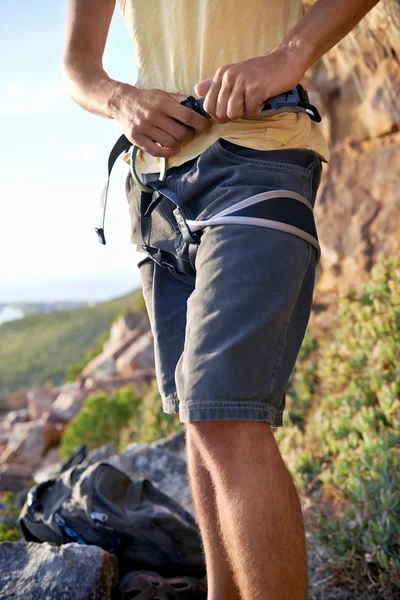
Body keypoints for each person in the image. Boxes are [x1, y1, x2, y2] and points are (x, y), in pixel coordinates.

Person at [63, 1, 380, 598]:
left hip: (260, 152)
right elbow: (79, 64)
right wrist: (120, 100)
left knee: (220, 409)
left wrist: (288, 57)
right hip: (155, 188)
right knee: (197, 416)